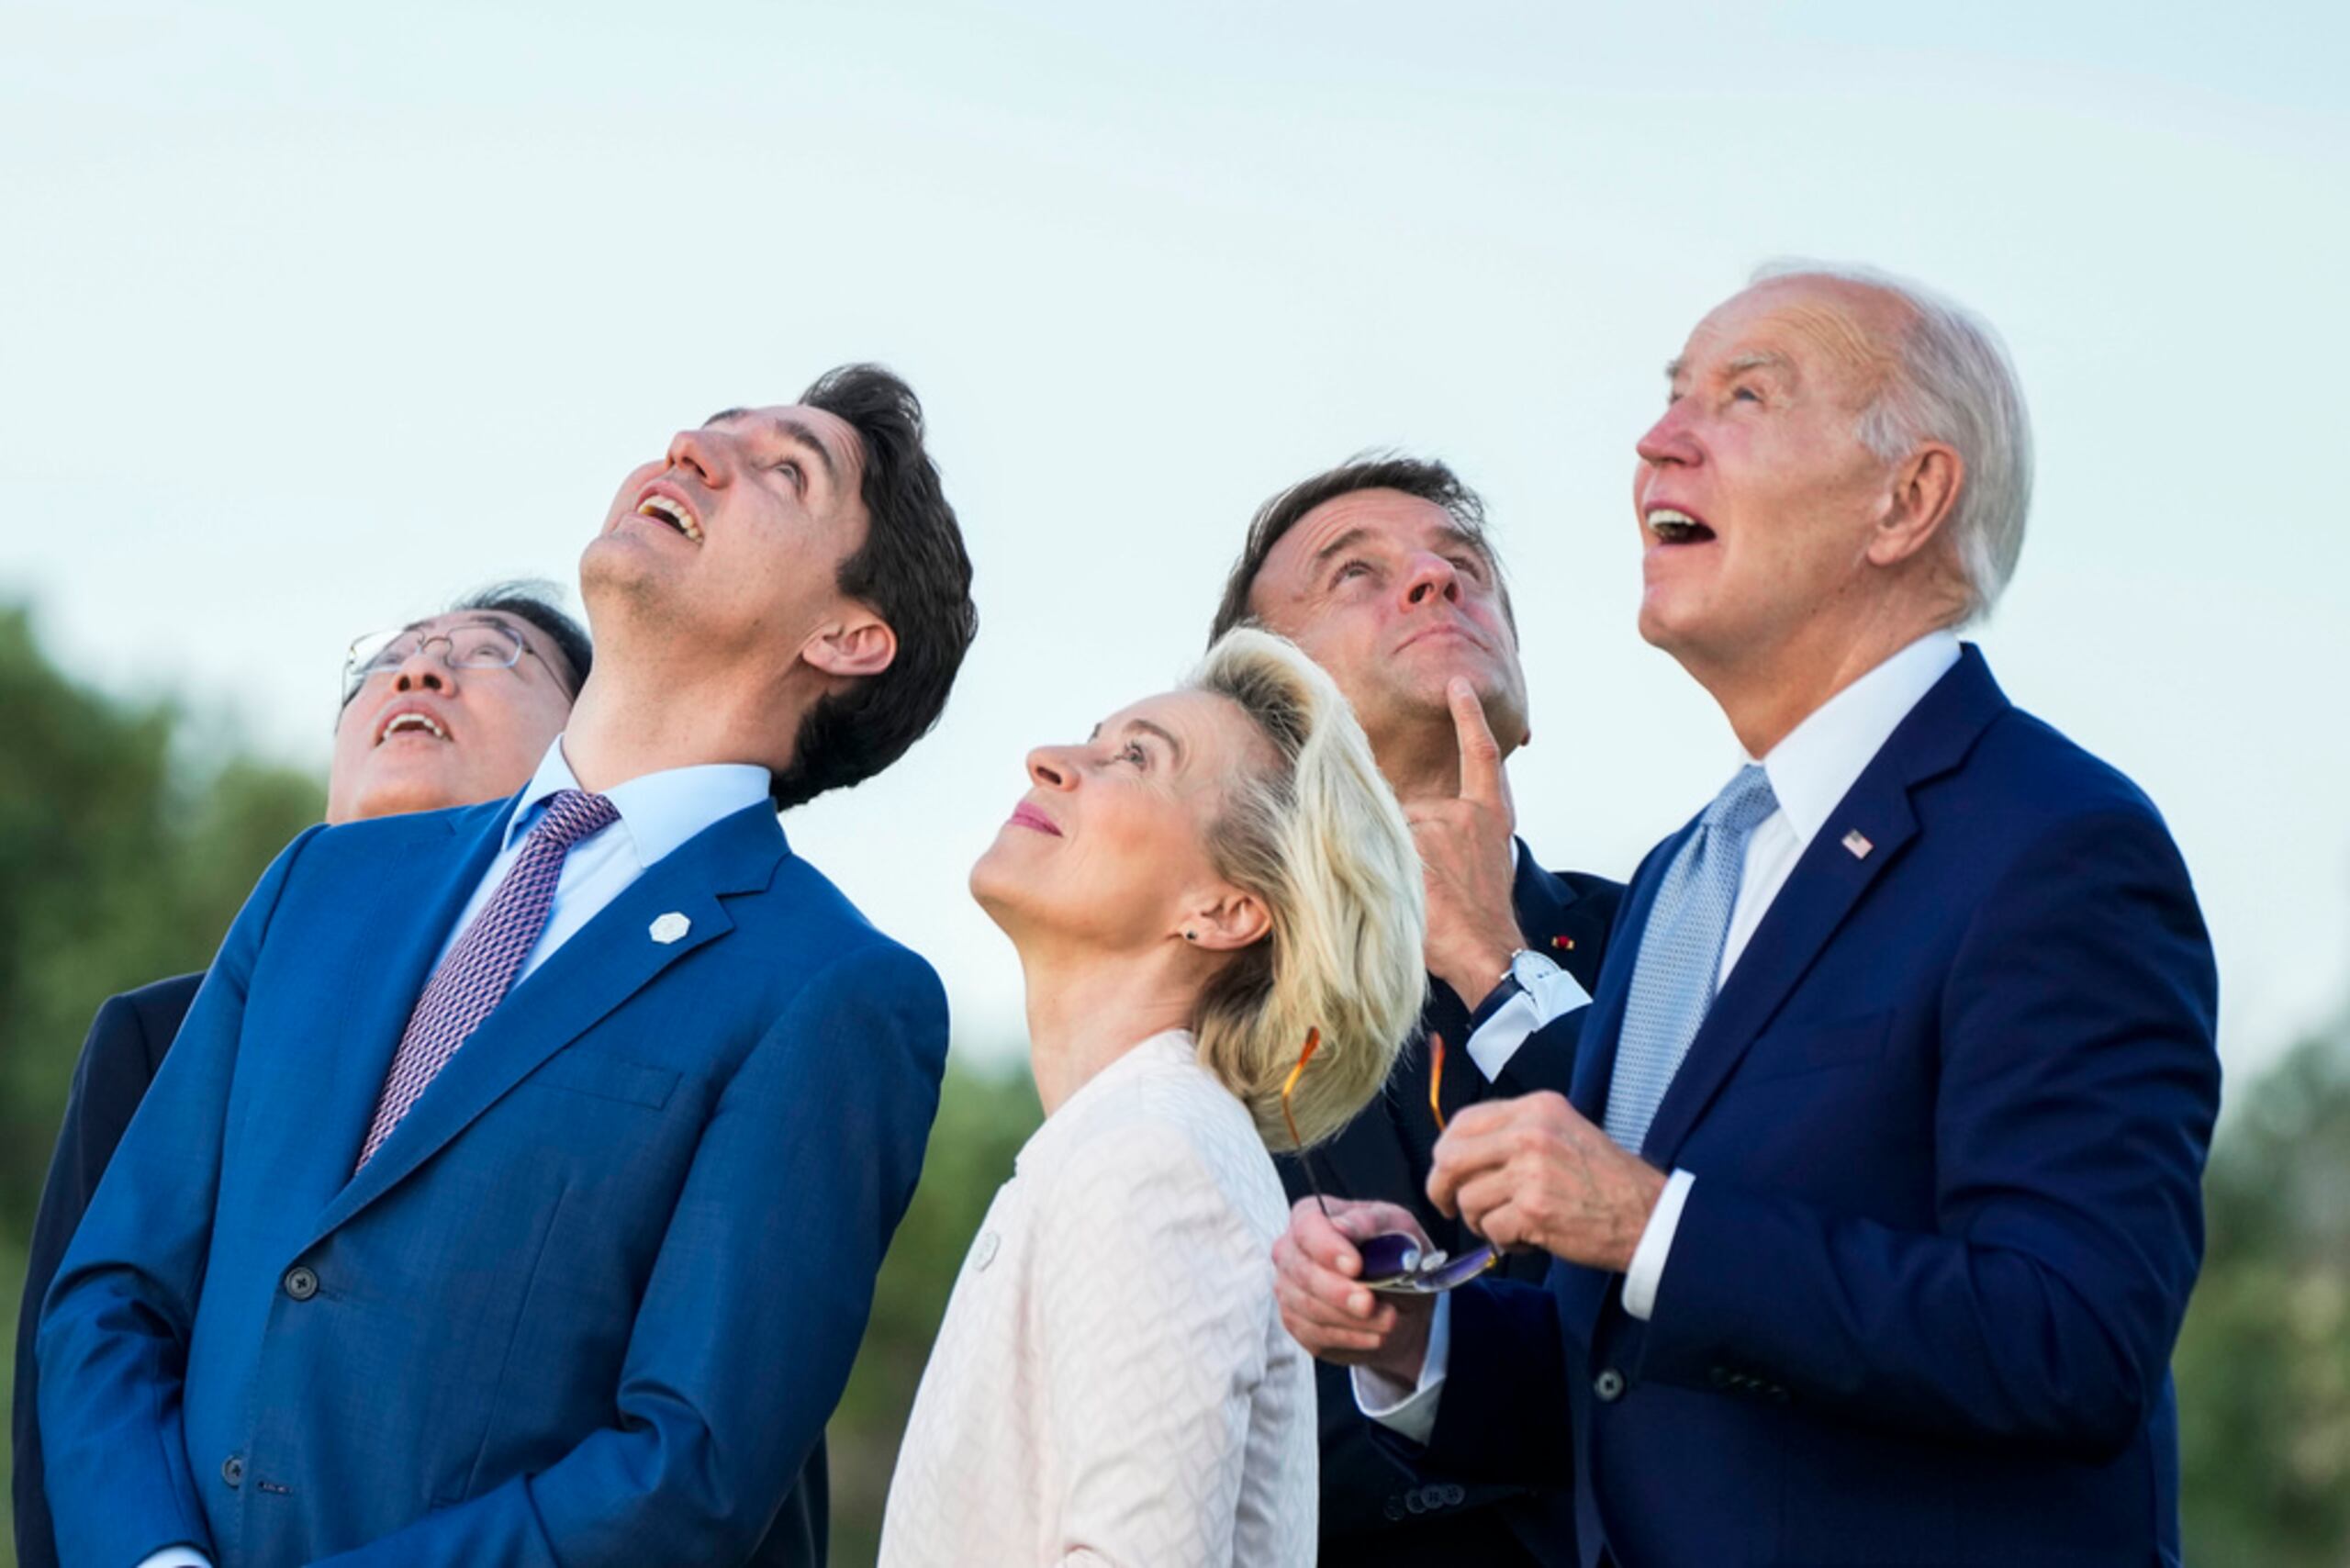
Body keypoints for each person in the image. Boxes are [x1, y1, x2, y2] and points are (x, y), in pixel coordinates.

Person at [1275, 263, 2221, 1566]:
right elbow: (1619, 1377)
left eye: (1743, 397)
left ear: (1908, 501)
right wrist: (1416, 1336)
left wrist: (1650, 1221)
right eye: (1671, 399)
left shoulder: (2055, 844)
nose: (1658, 439)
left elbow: (2074, 1341)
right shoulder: (1686, 877)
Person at [39, 364, 979, 1568]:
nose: (696, 446)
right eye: (711, 428)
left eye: (785, 470)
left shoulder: (833, 993)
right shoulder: (322, 884)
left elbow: (685, 1472)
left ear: (848, 636)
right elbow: (113, 1295)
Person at [11, 581, 591, 1568]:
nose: (417, 669)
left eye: (496, 652)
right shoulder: (157, 1037)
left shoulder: (642, 1019)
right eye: (385, 660)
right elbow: (76, 1397)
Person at [878, 628, 1427, 1567]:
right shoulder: (1121, 1143)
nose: (1049, 760)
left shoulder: (1156, 1160)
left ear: (1225, 909)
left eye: (1135, 756)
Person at [1212, 457, 1619, 1562]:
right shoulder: (1206, 1024)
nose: (1440, 581)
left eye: (1465, 563)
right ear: (1268, 710)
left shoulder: (1679, 934)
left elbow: (1721, 1240)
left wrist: (1493, 958)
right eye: (1358, 573)